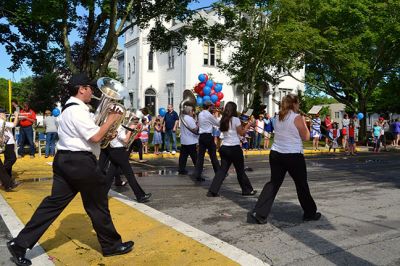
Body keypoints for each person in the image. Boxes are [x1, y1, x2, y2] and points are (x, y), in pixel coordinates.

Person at [7, 74, 133, 266]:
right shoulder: (77, 111)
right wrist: (112, 119)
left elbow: (96, 132)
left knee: (53, 204)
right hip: (80, 162)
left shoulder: (70, 109)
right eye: (90, 88)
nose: (93, 91)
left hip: (65, 161)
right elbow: (95, 137)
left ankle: (20, 244)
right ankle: (111, 246)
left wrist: (109, 128)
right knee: (97, 205)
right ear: (81, 89)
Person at [249, 94, 321, 224]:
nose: (299, 106)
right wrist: (304, 122)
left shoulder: (277, 117)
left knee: (274, 183)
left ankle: (259, 212)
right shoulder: (297, 117)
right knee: (301, 184)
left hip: (276, 153)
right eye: (298, 103)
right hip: (293, 154)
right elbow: (306, 137)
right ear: (294, 104)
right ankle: (310, 213)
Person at [207, 102, 257, 197]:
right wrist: (249, 124)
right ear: (234, 109)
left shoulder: (223, 119)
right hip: (234, 148)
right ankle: (247, 190)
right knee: (240, 170)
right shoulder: (235, 119)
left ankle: (212, 191)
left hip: (224, 147)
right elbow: (241, 133)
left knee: (222, 170)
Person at [104, 123, 152, 203]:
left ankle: (100, 194)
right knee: (130, 175)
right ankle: (140, 196)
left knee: (110, 175)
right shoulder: (118, 127)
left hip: (114, 151)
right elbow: (126, 140)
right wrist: (130, 130)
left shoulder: (111, 125)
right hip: (119, 152)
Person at [192, 102, 221, 182]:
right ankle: (219, 173)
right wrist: (215, 116)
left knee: (200, 157)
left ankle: (197, 175)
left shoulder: (200, 114)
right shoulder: (209, 115)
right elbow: (218, 124)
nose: (213, 107)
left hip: (201, 137)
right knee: (213, 156)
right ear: (209, 107)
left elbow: (198, 123)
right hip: (208, 136)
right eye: (212, 106)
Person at [0, 108, 19, 192]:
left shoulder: (4, 122)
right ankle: (4, 177)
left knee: (8, 160)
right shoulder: (2, 121)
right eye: (3, 113)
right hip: (7, 143)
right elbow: (14, 124)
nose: (5, 115)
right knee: (12, 159)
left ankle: (8, 182)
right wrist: (16, 116)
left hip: (8, 143)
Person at [178, 106, 199, 175]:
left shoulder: (183, 118)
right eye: (192, 111)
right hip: (191, 140)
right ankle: (198, 169)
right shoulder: (189, 119)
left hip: (184, 140)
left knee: (183, 156)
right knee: (194, 156)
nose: (193, 113)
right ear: (190, 112)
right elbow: (194, 129)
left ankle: (181, 169)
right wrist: (198, 125)